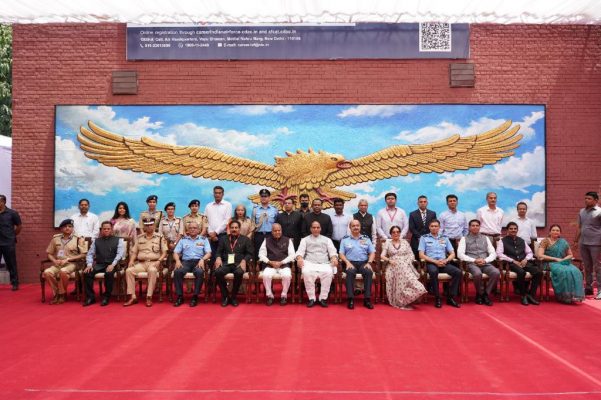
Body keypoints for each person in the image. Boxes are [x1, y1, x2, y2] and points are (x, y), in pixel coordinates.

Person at [124, 218, 167, 307]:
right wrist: (131, 261)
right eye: (147, 225)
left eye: (151, 225)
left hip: (154, 263)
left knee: (152, 270)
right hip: (141, 263)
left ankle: (149, 296)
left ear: (154, 226)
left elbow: (164, 252)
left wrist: (159, 261)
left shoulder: (160, 237)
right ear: (144, 227)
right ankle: (132, 296)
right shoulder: (139, 238)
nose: (149, 227)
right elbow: (134, 252)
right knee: (129, 270)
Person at [380, 225, 426, 310]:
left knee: (418, 287)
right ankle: (399, 301)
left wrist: (406, 261)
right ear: (390, 234)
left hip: (405, 265)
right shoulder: (387, 243)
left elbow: (411, 254)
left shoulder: (405, 242)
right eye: (393, 232)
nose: (396, 233)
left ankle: (405, 299)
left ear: (400, 233)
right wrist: (389, 260)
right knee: (399, 269)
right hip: (393, 266)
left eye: (398, 232)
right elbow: (382, 256)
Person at [419, 219, 461, 308]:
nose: (434, 228)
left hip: (443, 262)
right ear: (429, 227)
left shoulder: (445, 238)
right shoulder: (424, 238)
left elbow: (452, 253)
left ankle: (451, 297)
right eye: (432, 226)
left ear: (439, 227)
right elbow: (421, 255)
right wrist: (435, 261)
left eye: (436, 226)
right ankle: (437, 297)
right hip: (431, 263)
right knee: (433, 272)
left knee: (457, 272)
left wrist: (446, 260)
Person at [537, 224, 585, 304]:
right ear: (549, 232)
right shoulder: (545, 241)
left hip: (562, 263)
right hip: (549, 264)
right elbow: (540, 255)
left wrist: (563, 259)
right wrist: (555, 259)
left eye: (557, 230)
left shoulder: (563, 242)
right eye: (553, 230)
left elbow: (570, 255)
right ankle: (563, 296)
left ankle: (573, 296)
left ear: (560, 233)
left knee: (576, 271)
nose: (555, 232)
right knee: (563, 272)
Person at [497, 222, 542, 306]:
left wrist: (526, 259)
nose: (513, 230)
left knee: (538, 272)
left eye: (515, 229)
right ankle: (523, 295)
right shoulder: (502, 241)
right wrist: (512, 260)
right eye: (511, 229)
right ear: (507, 230)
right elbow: (499, 254)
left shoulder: (521, 240)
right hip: (510, 264)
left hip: (523, 262)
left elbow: (529, 252)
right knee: (521, 272)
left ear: (517, 230)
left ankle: (531, 295)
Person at [296, 221, 338, 308]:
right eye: (314, 228)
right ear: (310, 229)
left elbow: (332, 252)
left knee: (329, 273)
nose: (316, 229)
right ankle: (312, 298)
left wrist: (334, 258)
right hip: (310, 263)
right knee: (307, 273)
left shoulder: (327, 240)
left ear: (320, 229)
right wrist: (299, 258)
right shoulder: (305, 240)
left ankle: (323, 298)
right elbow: (300, 252)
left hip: (324, 263)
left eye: (318, 227)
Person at [43, 219, 86, 304]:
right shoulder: (55, 239)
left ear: (73, 228)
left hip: (73, 263)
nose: (67, 228)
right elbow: (49, 254)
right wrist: (54, 261)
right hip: (58, 264)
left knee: (63, 272)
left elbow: (83, 254)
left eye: (70, 226)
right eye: (65, 226)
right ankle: (59, 293)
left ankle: (61, 295)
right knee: (47, 272)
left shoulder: (78, 239)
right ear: (61, 229)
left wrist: (68, 259)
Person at [458, 219, 500, 306]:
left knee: (496, 272)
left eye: (477, 225)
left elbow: (493, 253)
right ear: (469, 227)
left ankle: (485, 294)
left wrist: (485, 260)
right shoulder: (464, 239)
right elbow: (460, 254)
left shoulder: (486, 238)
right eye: (473, 225)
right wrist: (474, 260)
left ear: (479, 227)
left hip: (485, 263)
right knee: (477, 274)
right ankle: (480, 293)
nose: (475, 227)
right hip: (472, 263)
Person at [83, 221, 125, 306]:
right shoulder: (96, 241)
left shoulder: (118, 240)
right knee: (87, 273)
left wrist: (113, 264)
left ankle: (106, 297)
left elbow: (120, 254)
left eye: (108, 229)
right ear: (101, 230)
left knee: (109, 273)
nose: (106, 230)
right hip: (100, 264)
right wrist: (89, 265)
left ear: (111, 230)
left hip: (113, 264)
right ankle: (91, 297)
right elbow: (90, 254)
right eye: (104, 229)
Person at [214, 220, 253, 307]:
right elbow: (218, 252)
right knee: (218, 272)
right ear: (229, 229)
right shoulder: (223, 239)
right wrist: (218, 257)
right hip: (226, 263)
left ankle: (233, 297)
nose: (234, 229)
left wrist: (244, 261)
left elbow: (250, 253)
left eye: (236, 228)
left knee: (239, 273)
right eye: (232, 228)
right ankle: (226, 296)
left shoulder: (245, 239)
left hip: (239, 263)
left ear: (239, 229)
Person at [172, 221, 211, 307]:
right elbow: (175, 252)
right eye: (190, 228)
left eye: (195, 228)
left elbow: (208, 253)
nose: (192, 230)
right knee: (177, 272)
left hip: (198, 262)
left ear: (198, 230)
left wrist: (202, 259)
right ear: (187, 230)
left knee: (199, 272)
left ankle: (195, 296)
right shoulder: (183, 240)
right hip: (186, 262)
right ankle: (180, 296)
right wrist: (178, 261)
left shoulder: (204, 239)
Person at [338, 220, 375, 310]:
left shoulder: (366, 239)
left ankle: (367, 299)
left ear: (360, 227)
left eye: (357, 225)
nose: (356, 227)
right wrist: (347, 262)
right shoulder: (345, 239)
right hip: (350, 263)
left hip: (364, 263)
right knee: (350, 273)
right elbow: (341, 253)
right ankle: (350, 298)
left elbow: (372, 252)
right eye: (353, 226)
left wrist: (369, 263)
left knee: (368, 272)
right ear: (350, 228)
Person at [258, 223, 295, 306]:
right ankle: (270, 296)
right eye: (275, 231)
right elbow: (261, 254)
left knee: (287, 276)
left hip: (283, 265)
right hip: (270, 265)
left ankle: (283, 296)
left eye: (279, 230)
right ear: (272, 231)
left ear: (281, 231)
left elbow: (292, 255)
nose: (277, 232)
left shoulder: (288, 240)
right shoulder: (266, 240)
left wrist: (282, 262)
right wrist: (270, 262)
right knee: (266, 275)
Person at [574, 191, 601, 298]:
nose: (586, 200)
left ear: (596, 200)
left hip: (596, 243)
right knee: (587, 267)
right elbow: (579, 227)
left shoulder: (599, 212)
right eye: (585, 198)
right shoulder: (581, 212)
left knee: (598, 267)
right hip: (583, 243)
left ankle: (600, 290)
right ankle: (588, 288)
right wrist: (576, 241)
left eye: (589, 198)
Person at [205, 186, 233, 263]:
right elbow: (206, 220)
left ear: (223, 194)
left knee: (225, 256)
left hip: (224, 235)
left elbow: (227, 220)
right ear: (213, 194)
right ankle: (212, 274)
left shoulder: (228, 205)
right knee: (212, 257)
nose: (217, 195)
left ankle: (224, 272)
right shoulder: (208, 206)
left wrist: (216, 232)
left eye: (219, 193)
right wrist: (211, 233)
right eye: (216, 193)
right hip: (211, 236)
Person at [0, 194, 22, 291]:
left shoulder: (12, 213)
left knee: (11, 263)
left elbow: (19, 226)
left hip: (8, 242)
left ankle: (15, 283)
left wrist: (12, 236)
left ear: (4, 202)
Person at [252, 189, 278, 261]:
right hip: (258, 235)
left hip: (270, 234)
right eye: (262, 196)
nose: (263, 198)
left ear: (269, 198)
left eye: (265, 196)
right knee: (258, 252)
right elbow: (253, 223)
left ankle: (269, 268)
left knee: (271, 252)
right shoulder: (255, 209)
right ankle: (258, 270)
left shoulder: (274, 210)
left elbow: (276, 223)